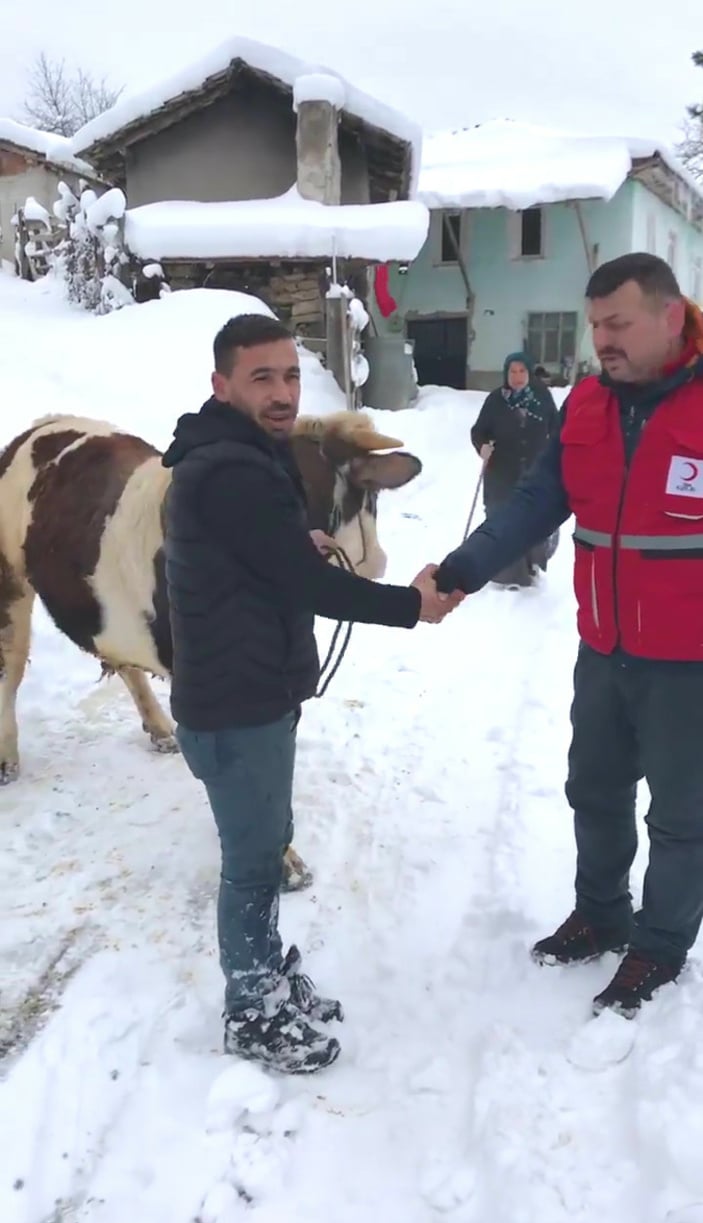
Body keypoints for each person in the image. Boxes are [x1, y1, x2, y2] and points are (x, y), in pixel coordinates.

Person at [163, 313, 462, 1074]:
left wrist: (292, 540)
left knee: (263, 847)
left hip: (250, 694)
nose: (281, 392)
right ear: (221, 384)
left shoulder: (237, 455)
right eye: (261, 376)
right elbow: (301, 586)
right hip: (236, 706)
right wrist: (410, 605)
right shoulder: (231, 468)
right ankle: (251, 1010)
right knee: (251, 862)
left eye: (290, 375)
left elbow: (259, 556)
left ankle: (265, 974)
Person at [434, 253, 703, 1018]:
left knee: (682, 817)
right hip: (604, 648)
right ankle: (602, 912)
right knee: (594, 789)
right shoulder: (585, 402)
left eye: (616, 323)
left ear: (670, 316)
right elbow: (533, 504)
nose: (601, 340)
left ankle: (659, 945)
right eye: (594, 325)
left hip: (689, 664)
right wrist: (462, 567)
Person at [470, 351, 559, 589]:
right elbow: (479, 431)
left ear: (529, 373)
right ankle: (506, 577)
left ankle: (532, 567)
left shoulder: (542, 397)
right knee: (503, 522)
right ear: (506, 374)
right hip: (501, 473)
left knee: (534, 519)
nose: (517, 377)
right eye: (512, 371)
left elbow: (558, 428)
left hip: (535, 470)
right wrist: (482, 447)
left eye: (522, 371)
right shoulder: (495, 401)